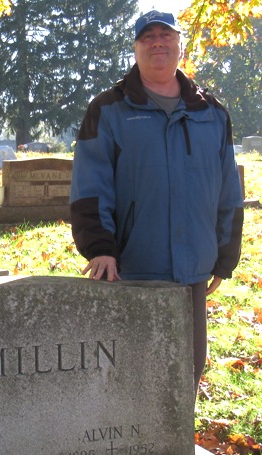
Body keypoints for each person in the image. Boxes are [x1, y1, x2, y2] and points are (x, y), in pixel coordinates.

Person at [69, 9, 244, 393]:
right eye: (147, 36)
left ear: (179, 44)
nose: (157, 42)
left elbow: (229, 190)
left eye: (166, 34)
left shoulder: (212, 114)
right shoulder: (108, 109)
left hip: (193, 268)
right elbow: (90, 184)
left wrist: (225, 256)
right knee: (131, 375)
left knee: (188, 368)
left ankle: (178, 450)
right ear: (135, 48)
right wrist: (99, 247)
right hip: (132, 269)